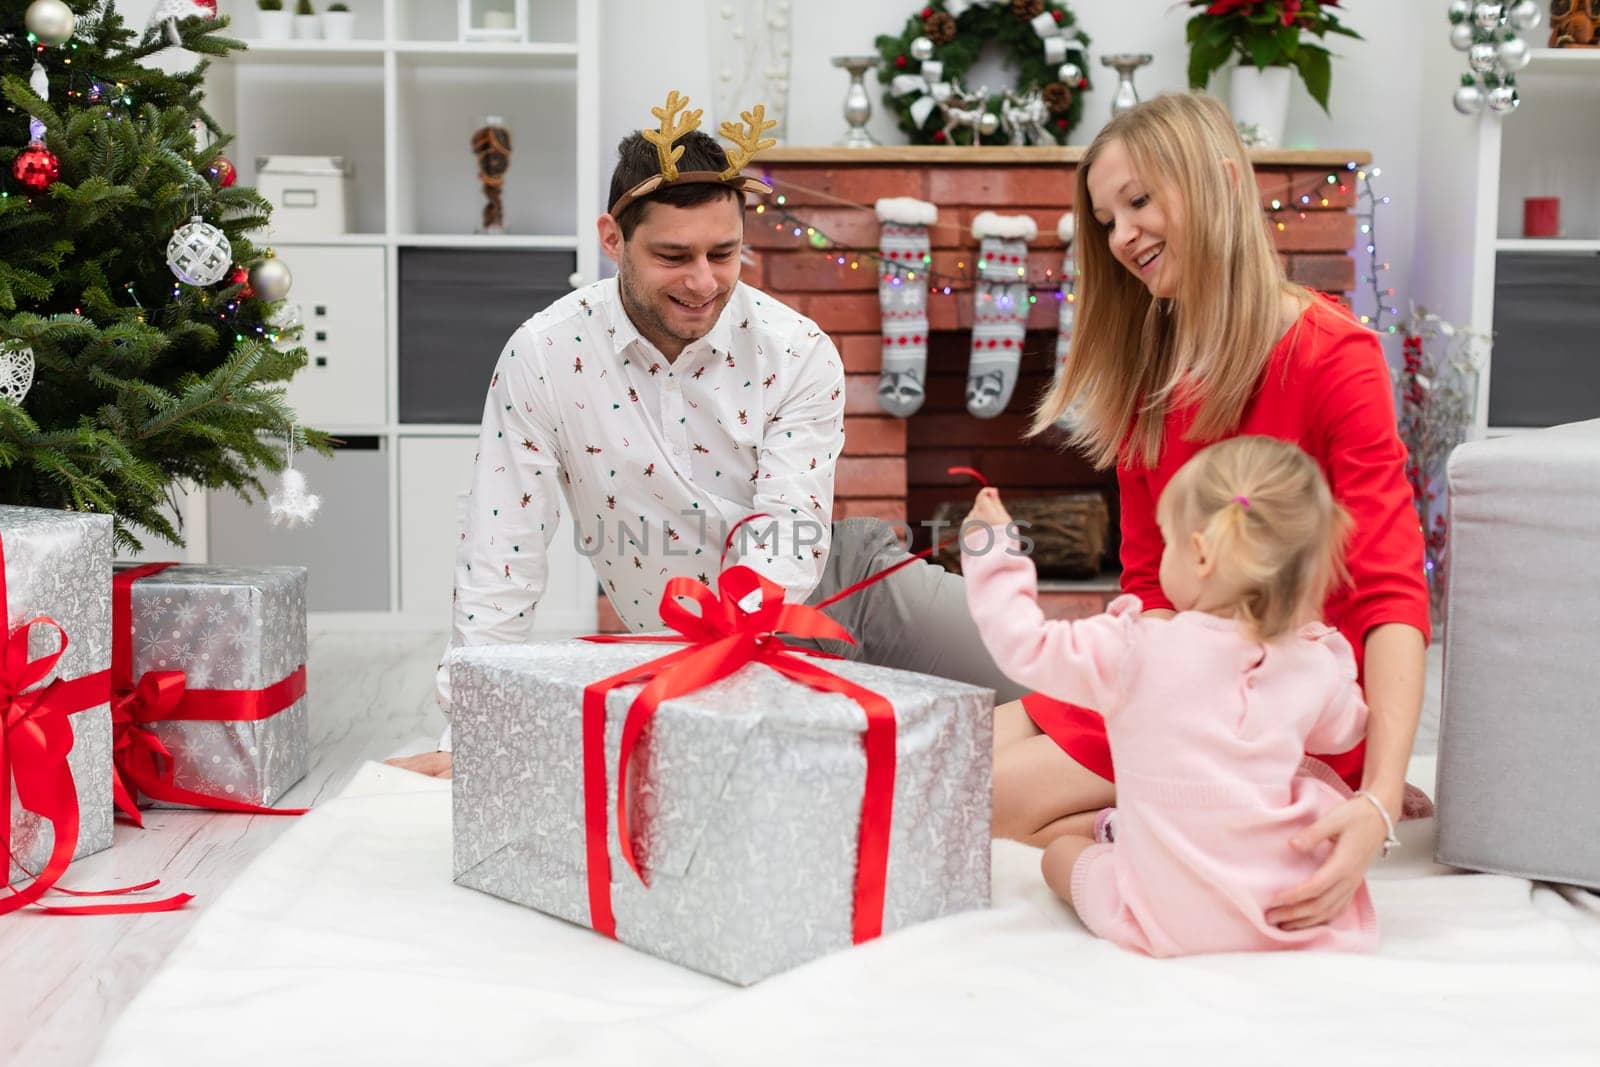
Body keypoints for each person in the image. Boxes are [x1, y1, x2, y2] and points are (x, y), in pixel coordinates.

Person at [387, 94, 1024, 778]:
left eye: (723, 253)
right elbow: (500, 554)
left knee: (1055, 696)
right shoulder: (544, 354)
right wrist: (471, 731)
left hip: (845, 589)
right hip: (686, 654)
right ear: (612, 239)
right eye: (672, 255)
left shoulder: (796, 348)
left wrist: (725, 662)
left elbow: (786, 532)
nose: (702, 282)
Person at [989, 91, 1431, 934]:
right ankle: (1168, 825)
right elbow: (1150, 585)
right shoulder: (1151, 373)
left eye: (1140, 201)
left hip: (1278, 695)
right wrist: (1136, 702)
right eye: (1107, 219)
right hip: (1179, 674)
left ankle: (1249, 806)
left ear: (1223, 183)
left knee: (982, 796)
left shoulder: (1336, 357)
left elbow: (1390, 592)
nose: (1121, 236)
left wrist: (1376, 790)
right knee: (963, 752)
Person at [964, 437, 1386, 956]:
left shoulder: (1136, 649)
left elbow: (1024, 644)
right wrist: (1325, 646)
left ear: (1201, 554)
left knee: (1061, 859)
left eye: (1168, 543)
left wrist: (994, 551)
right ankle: (1125, 827)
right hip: (1282, 909)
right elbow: (1346, 727)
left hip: (1165, 919)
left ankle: (1115, 830)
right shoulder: (1311, 665)